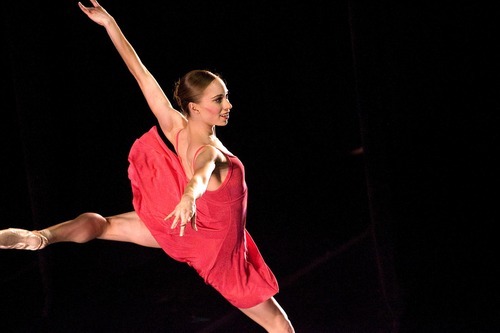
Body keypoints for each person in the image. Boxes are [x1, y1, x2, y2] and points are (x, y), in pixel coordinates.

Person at [0, 1, 295, 332]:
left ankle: (41, 237)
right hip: (213, 249)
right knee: (280, 327)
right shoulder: (212, 152)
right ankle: (39, 237)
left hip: (177, 226)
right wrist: (188, 196)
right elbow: (201, 173)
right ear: (195, 108)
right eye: (218, 100)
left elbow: (140, 73)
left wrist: (111, 24)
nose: (228, 105)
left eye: (225, 96)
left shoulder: (175, 126)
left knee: (102, 225)